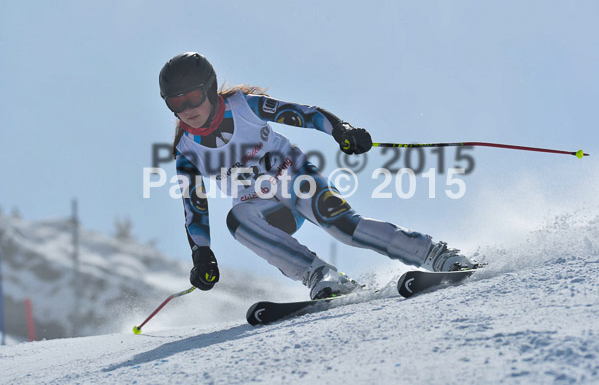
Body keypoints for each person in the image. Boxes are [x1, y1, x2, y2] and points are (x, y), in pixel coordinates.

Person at [159, 52, 478, 300]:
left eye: (192, 98)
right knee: (237, 219)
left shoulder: (244, 107)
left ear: (210, 90)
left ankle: (438, 255)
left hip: (297, 180)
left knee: (344, 228)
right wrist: (201, 255)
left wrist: (342, 130)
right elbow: (194, 207)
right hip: (267, 211)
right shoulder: (186, 150)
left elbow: (305, 114)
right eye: (176, 101)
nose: (186, 108)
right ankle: (321, 277)